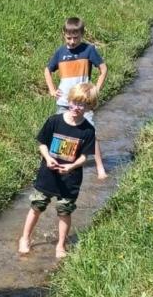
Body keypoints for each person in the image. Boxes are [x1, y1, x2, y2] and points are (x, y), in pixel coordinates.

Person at [19, 82, 98, 260]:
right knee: (36, 206)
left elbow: (85, 156)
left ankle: (61, 244)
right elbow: (42, 143)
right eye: (75, 102)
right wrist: (48, 158)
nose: (77, 107)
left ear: (89, 107)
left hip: (70, 178)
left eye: (83, 104)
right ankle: (25, 238)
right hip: (47, 175)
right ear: (69, 100)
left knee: (65, 211)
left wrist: (71, 166)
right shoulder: (54, 121)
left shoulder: (88, 130)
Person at [44, 16, 108, 180]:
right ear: (63, 35)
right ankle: (62, 168)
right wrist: (52, 89)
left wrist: (96, 90)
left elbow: (103, 69)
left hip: (84, 103)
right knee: (63, 134)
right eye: (69, 38)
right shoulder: (60, 52)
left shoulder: (89, 50)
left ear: (82, 34)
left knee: (90, 133)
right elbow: (47, 70)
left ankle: (100, 169)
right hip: (64, 102)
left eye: (76, 38)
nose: (72, 41)